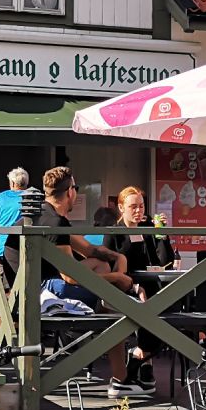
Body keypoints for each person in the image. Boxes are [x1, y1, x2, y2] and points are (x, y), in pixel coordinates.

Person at [39, 166, 138, 395]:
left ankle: (121, 377)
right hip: (46, 292)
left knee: (104, 272)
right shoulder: (56, 223)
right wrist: (118, 277)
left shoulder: (46, 215)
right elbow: (70, 276)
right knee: (115, 307)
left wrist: (117, 256)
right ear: (71, 192)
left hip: (31, 288)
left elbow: (88, 249)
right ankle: (121, 377)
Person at [106, 186, 176, 385]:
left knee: (170, 317)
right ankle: (142, 364)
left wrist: (162, 235)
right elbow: (109, 269)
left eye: (142, 206)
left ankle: (139, 356)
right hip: (124, 290)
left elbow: (163, 261)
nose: (139, 211)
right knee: (149, 312)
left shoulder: (147, 230)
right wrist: (134, 288)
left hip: (151, 288)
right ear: (121, 208)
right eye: (133, 207)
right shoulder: (114, 233)